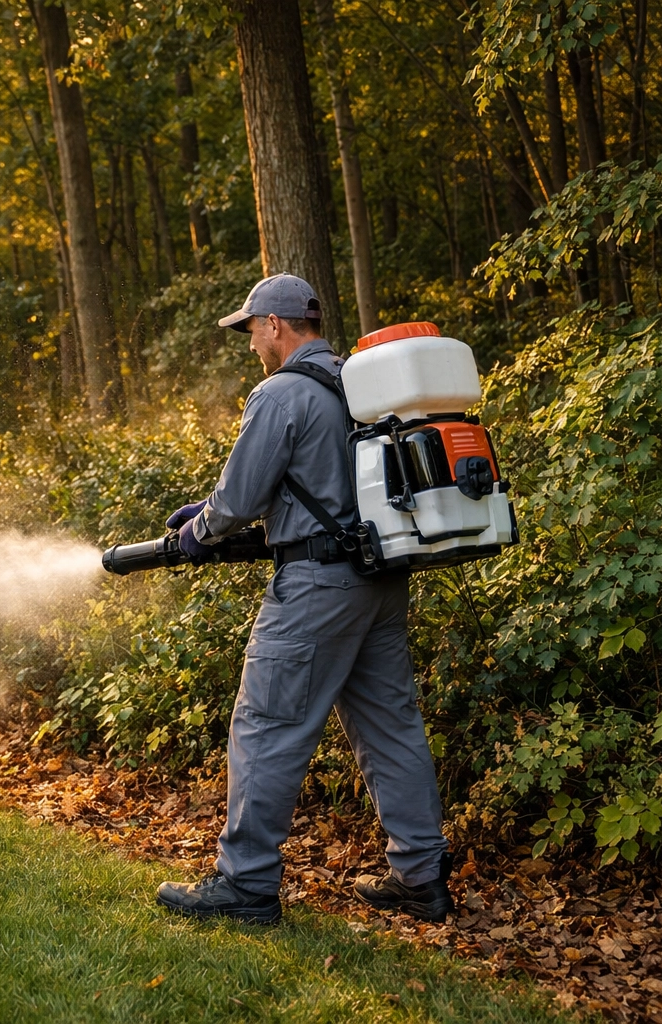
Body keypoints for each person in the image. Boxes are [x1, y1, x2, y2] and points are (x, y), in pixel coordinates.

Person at [154, 273, 453, 926]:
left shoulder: (281, 393)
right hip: (379, 581)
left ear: (276, 326)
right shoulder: (359, 385)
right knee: (390, 727)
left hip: (318, 588)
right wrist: (213, 515)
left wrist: (200, 531)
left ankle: (245, 886)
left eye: (252, 330)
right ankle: (423, 877)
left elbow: (238, 500)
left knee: (265, 726)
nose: (251, 343)